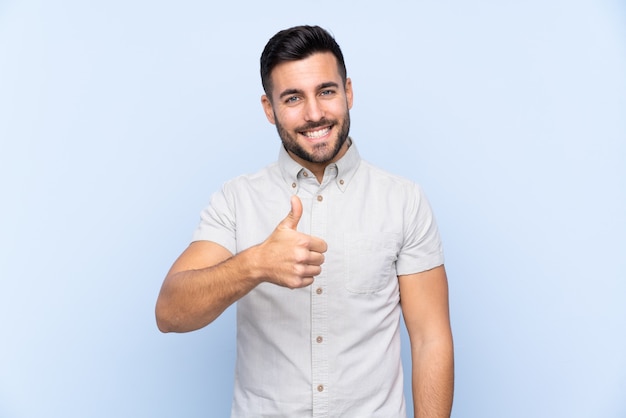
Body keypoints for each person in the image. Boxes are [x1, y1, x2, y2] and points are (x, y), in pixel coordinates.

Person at [155, 25, 454, 418]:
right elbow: (170, 311)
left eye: (326, 91)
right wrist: (255, 264)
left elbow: (431, 338)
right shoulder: (236, 199)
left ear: (348, 92)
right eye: (293, 98)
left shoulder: (403, 200)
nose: (314, 114)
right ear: (269, 109)